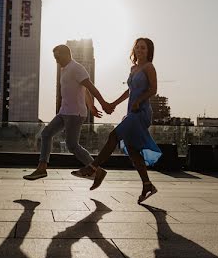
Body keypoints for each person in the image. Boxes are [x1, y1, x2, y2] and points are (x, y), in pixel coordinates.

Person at [77, 37, 161, 202]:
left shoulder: (149, 67)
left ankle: (93, 168)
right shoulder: (134, 68)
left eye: (143, 48)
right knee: (133, 150)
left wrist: (139, 100)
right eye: (137, 47)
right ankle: (147, 184)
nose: (140, 50)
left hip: (141, 112)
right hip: (131, 112)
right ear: (134, 50)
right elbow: (129, 91)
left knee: (114, 136)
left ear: (149, 51)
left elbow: (154, 89)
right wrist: (112, 104)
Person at [23, 44, 110, 181]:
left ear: (67, 54)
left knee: (72, 145)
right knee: (46, 134)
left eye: (58, 57)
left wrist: (102, 103)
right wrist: (91, 106)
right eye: (54, 58)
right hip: (64, 111)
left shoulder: (76, 68)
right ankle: (42, 169)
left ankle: (96, 170)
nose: (56, 60)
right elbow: (84, 90)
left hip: (75, 113)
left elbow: (89, 87)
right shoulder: (64, 69)